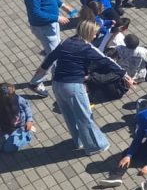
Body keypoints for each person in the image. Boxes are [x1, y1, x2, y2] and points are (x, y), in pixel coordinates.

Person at [29, 20, 120, 153]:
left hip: (57, 85)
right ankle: (96, 146)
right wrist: (122, 73)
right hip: (73, 86)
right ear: (88, 33)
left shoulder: (66, 42)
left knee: (69, 116)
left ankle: (79, 142)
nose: (95, 36)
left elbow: (51, 56)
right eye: (94, 34)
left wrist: (41, 71)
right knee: (84, 116)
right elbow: (105, 61)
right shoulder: (86, 48)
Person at [23, 0, 75, 88]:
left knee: (55, 51)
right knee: (53, 56)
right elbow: (35, 13)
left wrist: (63, 5)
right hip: (43, 27)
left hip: (51, 23)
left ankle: (56, 74)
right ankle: (35, 82)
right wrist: (57, 18)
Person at [0, 82, 34, 152]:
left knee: (7, 149)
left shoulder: (19, 100)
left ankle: (27, 136)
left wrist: (29, 120)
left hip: (19, 127)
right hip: (5, 127)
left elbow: (27, 108)